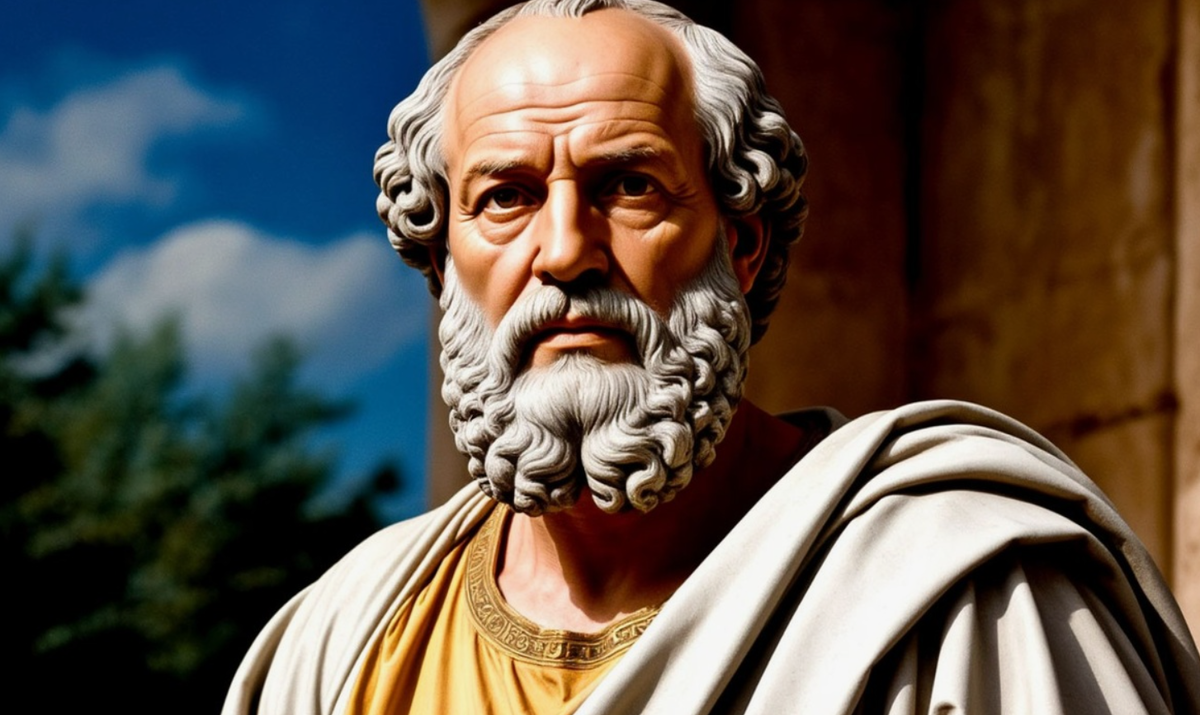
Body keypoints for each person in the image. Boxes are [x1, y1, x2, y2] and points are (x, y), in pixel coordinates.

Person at [223, 1, 1200, 712]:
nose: (565, 250)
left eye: (629, 185)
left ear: (742, 244)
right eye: (506, 197)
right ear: (444, 263)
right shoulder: (338, 647)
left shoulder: (966, 600)